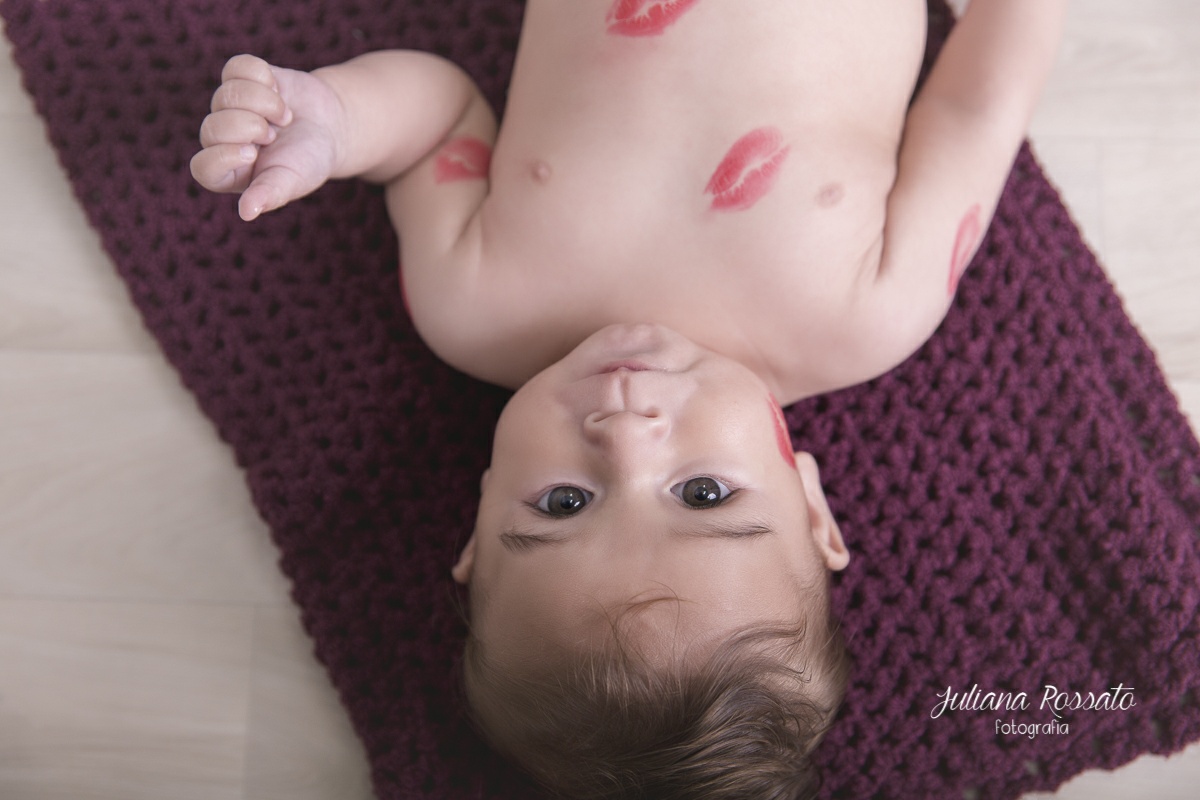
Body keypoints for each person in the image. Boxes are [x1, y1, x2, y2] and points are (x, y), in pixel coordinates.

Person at [190, 1, 1067, 796]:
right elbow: (972, 110)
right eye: (705, 494)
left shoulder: (476, 304)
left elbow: (439, 121)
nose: (628, 433)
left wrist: (338, 121)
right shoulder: (865, 315)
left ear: (478, 531)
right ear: (814, 509)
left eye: (565, 503)